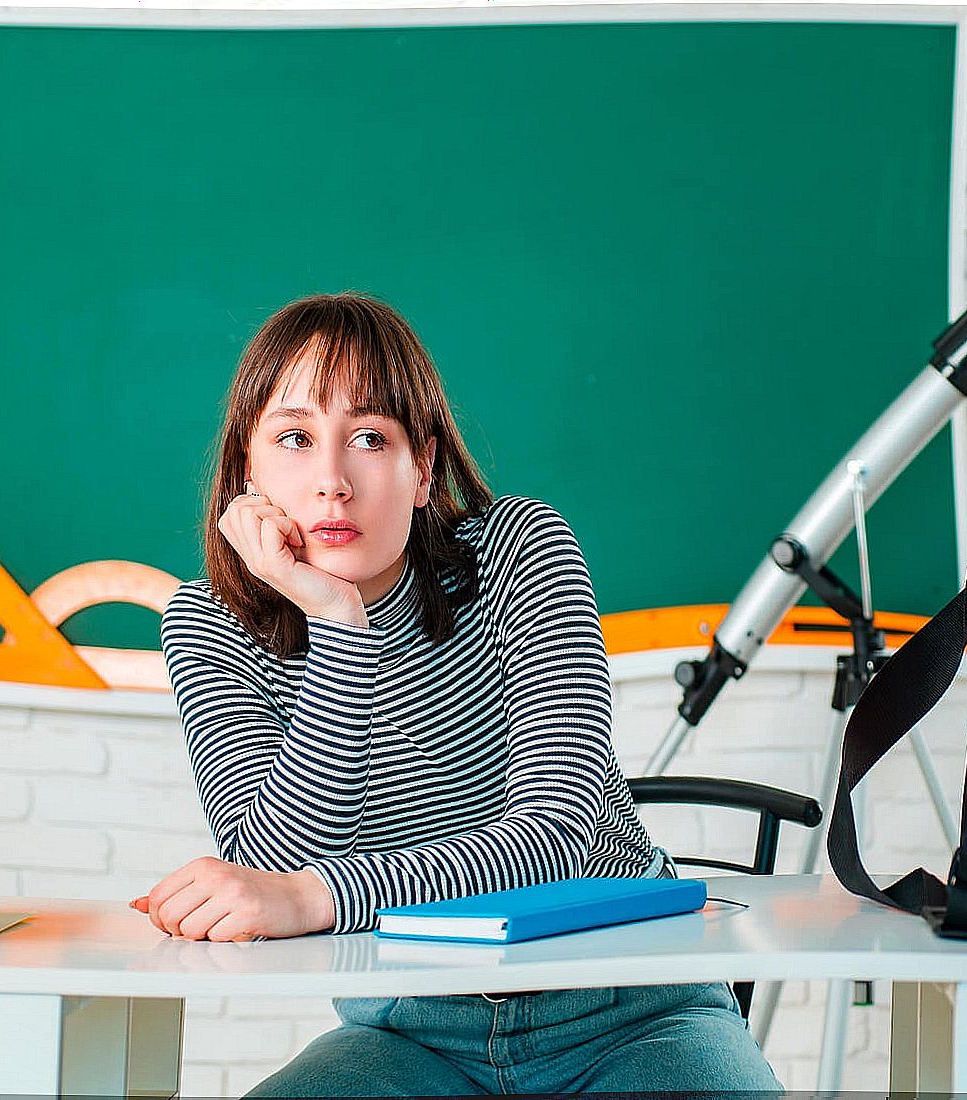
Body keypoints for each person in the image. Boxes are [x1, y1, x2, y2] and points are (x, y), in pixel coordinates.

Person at [133, 292, 783, 1096]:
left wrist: (313, 895)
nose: (332, 480)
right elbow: (270, 864)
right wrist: (340, 623)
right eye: (296, 438)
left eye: (370, 437)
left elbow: (555, 835)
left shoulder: (521, 551)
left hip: (634, 1006)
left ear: (423, 469)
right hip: (411, 1032)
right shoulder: (209, 622)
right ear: (247, 472)